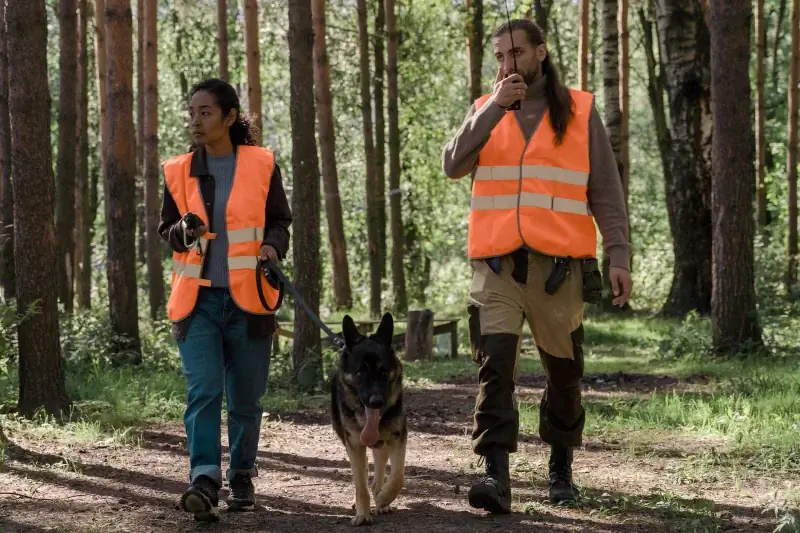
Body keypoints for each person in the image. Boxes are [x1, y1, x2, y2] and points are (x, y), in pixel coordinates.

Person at [441, 19, 632, 514]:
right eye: (500, 57)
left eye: (516, 54)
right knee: (495, 369)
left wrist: (619, 254)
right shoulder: (485, 109)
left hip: (559, 272)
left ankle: (561, 467)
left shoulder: (579, 111)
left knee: (565, 376)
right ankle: (495, 474)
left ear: (540, 53)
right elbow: (453, 164)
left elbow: (605, 191)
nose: (507, 65)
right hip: (497, 268)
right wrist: (493, 111)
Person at [157, 78, 292, 521]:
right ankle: (204, 480)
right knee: (204, 391)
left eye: (206, 112)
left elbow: (279, 221)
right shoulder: (178, 169)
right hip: (197, 303)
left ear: (229, 117)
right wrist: (184, 231)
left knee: (246, 398)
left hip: (251, 300)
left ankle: (243, 476)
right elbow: (168, 232)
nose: (196, 121)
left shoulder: (262, 164)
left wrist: (272, 247)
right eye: (192, 112)